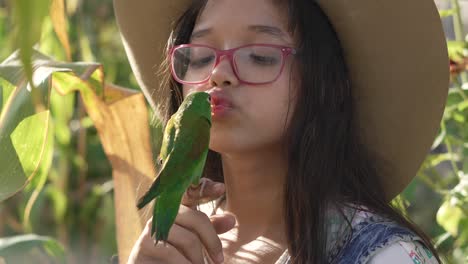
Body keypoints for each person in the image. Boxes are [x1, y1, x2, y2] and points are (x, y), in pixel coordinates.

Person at [113, 0, 449, 263]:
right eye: (201, 56)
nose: (218, 73)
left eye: (259, 56)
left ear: (324, 85)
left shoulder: (385, 255)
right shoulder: (175, 246)